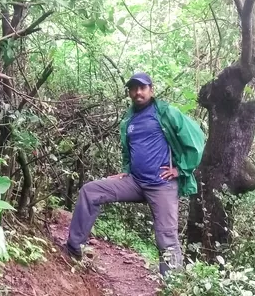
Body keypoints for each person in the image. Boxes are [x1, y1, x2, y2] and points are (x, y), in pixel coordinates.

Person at [65, 72, 205, 276]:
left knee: (166, 236)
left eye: (142, 87)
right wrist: (126, 171)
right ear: (129, 92)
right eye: (133, 88)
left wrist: (181, 169)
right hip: (135, 182)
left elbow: (196, 139)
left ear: (151, 90)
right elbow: (129, 150)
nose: (138, 92)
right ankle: (73, 248)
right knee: (91, 191)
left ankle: (173, 285)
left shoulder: (166, 112)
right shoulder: (129, 119)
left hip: (162, 185)